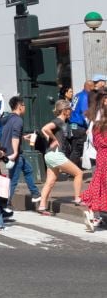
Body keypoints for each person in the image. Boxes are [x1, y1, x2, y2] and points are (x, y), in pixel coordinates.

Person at [38, 99, 83, 214]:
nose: (71, 111)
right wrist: (54, 138)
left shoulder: (64, 123)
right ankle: (78, 198)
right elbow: (45, 128)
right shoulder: (58, 121)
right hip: (56, 154)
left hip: (50, 154)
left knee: (50, 181)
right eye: (69, 109)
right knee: (79, 173)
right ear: (64, 111)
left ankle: (42, 205)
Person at [1, 96, 41, 208]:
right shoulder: (18, 120)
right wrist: (14, 153)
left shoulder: (9, 118)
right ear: (19, 106)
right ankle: (6, 203)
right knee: (13, 179)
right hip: (14, 154)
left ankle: (35, 193)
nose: (25, 107)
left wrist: (24, 137)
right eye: (23, 105)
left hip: (9, 151)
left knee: (28, 170)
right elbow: (14, 137)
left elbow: (14, 134)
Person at [80, 92, 106, 231]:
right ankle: (94, 215)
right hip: (105, 154)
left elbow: (95, 140)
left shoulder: (95, 119)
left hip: (100, 155)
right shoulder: (103, 119)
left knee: (99, 184)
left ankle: (93, 214)